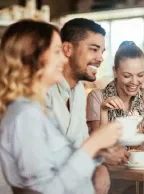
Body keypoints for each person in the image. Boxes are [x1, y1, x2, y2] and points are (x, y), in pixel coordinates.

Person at [0, 20, 122, 194]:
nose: (64, 58)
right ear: (35, 57)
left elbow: (61, 163)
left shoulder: (37, 110)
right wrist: (93, 145)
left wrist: (98, 153)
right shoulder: (25, 115)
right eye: (57, 51)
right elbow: (46, 190)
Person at [87, 41, 144, 194]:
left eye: (140, 75)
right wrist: (104, 110)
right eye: (127, 75)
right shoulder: (97, 97)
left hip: (141, 179)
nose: (134, 82)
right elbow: (98, 147)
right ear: (115, 72)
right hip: (110, 180)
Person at [45, 18, 111, 194]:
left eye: (102, 51)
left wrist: (101, 166)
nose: (100, 58)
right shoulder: (42, 90)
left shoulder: (80, 91)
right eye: (93, 49)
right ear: (67, 49)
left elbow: (81, 144)